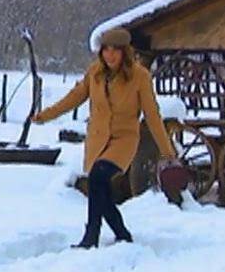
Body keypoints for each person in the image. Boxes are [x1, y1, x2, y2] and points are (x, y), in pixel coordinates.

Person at [31, 27, 178, 248]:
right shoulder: (95, 73)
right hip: (98, 140)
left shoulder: (140, 77)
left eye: (115, 51)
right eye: (106, 50)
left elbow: (153, 115)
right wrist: (45, 115)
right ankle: (122, 232)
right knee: (101, 189)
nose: (110, 55)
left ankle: (91, 236)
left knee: (98, 176)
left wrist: (167, 152)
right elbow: (74, 98)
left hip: (124, 139)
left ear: (125, 52)